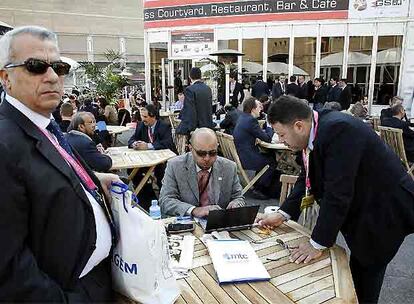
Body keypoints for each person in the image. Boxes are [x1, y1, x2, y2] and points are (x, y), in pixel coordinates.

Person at [0, 25, 122, 301]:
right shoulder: (5, 142)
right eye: (36, 66)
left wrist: (89, 180)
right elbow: (8, 267)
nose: (53, 76)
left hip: (97, 280)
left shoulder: (45, 125)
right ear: (6, 78)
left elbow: (47, 177)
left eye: (58, 67)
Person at [258, 96, 414, 304]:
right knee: (359, 269)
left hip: (385, 209)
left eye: (281, 134)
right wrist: (283, 214)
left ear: (299, 126)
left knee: (366, 272)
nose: (279, 140)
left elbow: (337, 193)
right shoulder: (317, 127)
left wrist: (317, 243)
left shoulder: (338, 130)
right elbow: (308, 177)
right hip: (365, 205)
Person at [159, 128, 245, 217]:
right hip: (187, 223)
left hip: (219, 224)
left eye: (212, 153)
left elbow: (238, 197)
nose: (207, 158)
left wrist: (236, 204)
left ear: (217, 147)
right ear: (190, 148)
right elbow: (165, 201)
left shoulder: (229, 167)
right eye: (201, 153)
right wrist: (194, 210)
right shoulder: (175, 166)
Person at [128, 104, 176, 210]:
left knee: (161, 171)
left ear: (153, 116)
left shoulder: (164, 126)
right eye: (142, 116)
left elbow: (167, 143)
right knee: (132, 169)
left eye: (145, 117)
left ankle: (165, 199)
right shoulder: (141, 125)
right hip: (146, 159)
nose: (143, 119)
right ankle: (144, 195)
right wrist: (135, 144)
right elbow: (131, 140)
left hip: (162, 160)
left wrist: (148, 146)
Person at [233, 97, 281, 199]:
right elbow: (268, 138)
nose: (261, 109)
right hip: (247, 158)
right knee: (271, 161)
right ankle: (260, 189)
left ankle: (258, 184)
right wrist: (268, 125)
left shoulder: (243, 118)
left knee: (269, 156)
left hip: (241, 156)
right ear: (253, 109)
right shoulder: (251, 120)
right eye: (259, 107)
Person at [176, 67, 213, 135]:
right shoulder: (208, 89)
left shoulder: (189, 89)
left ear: (190, 76)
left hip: (197, 129)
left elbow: (190, 110)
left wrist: (191, 129)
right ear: (200, 76)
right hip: (208, 127)